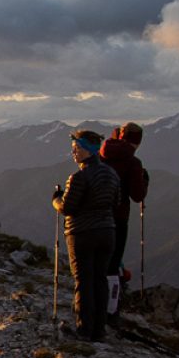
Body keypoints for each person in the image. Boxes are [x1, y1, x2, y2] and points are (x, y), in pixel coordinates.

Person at [51, 130, 120, 341]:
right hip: (107, 232)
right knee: (100, 280)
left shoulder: (78, 177)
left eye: (76, 149)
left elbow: (68, 208)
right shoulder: (112, 174)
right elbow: (116, 204)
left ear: (87, 150)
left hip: (81, 233)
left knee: (83, 281)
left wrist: (56, 199)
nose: (73, 153)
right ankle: (100, 330)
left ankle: (84, 330)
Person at [99, 123, 148, 315]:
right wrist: (144, 181)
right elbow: (137, 195)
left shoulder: (100, 155)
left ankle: (91, 306)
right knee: (113, 263)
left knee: (96, 262)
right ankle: (110, 310)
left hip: (94, 216)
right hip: (118, 218)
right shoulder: (133, 163)